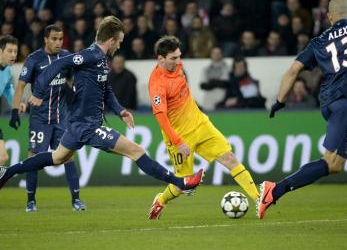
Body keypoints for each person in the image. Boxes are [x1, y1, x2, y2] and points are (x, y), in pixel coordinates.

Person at [0, 16, 204, 199]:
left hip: (77, 124)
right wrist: (38, 92)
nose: (119, 46)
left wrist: (120, 111)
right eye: (120, 42)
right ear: (111, 40)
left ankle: (7, 172)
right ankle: (181, 183)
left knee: (56, 157)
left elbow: (106, 90)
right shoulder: (89, 56)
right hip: (87, 125)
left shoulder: (101, 60)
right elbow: (58, 64)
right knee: (136, 150)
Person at [256, 0, 347, 219]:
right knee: (333, 163)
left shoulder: (319, 41)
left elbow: (292, 71)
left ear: (330, 17)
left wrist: (280, 101)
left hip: (330, 100)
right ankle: (275, 190)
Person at [147, 36, 259, 220]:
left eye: (179, 56)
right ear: (161, 59)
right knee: (183, 184)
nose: (178, 61)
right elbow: (160, 116)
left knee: (229, 157)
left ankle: (258, 199)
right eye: (173, 58)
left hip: (200, 123)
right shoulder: (157, 85)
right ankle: (160, 201)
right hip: (180, 136)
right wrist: (178, 141)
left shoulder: (178, 65)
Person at [10, 25, 86, 212]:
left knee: (68, 156)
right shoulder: (34, 59)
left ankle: (76, 200)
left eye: (60, 39)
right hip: (40, 119)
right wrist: (14, 111)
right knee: (33, 157)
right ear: (45, 39)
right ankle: (30, 201)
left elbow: (70, 79)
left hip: (62, 117)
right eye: (54, 39)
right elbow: (20, 86)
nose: (58, 42)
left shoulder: (66, 57)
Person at [0, 35, 26, 165]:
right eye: (9, 51)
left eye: (15, 51)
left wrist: (16, 103)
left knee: (2, 158)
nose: (13, 55)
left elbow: (8, 90)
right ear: (0, 51)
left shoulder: (8, 70)